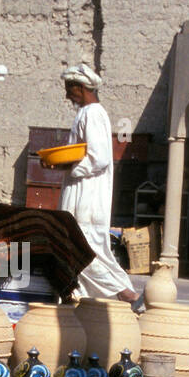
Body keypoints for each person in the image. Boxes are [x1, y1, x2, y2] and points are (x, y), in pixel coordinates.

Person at [58, 63, 142, 307]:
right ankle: (78, 300)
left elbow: (100, 157)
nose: (67, 95)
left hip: (88, 195)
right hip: (79, 190)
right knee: (81, 248)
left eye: (69, 89)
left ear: (81, 87)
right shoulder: (84, 113)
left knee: (81, 249)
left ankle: (126, 294)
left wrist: (72, 168)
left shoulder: (93, 114)